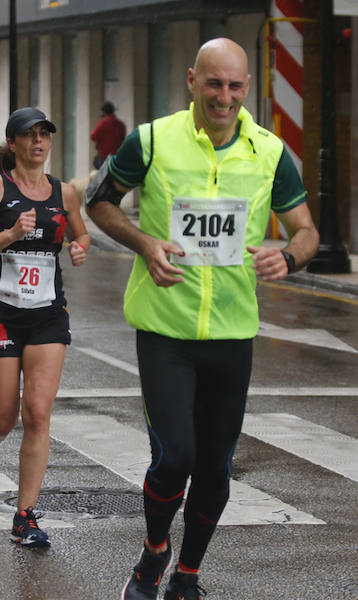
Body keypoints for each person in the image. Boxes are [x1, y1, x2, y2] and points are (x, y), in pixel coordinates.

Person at [85, 38, 319, 600]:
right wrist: (145, 244)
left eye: (236, 86)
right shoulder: (151, 139)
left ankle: (186, 575)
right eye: (214, 83)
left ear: (247, 88)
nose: (225, 96)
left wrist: (287, 256)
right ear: (192, 80)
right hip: (165, 327)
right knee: (175, 459)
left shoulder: (269, 152)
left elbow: (307, 231)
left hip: (233, 332)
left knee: (215, 466)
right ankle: (153, 553)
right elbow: (99, 202)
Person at [0, 107, 90, 548]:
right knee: (2, 420)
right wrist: (10, 235)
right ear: (12, 144)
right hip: (1, 312)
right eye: (29, 136)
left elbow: (80, 233)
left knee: (37, 414)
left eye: (44, 135)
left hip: (48, 314)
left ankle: (26, 516)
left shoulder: (64, 192)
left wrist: (79, 248)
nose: (38, 142)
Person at [90, 101, 126, 170]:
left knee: (102, 177)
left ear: (103, 112)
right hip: (117, 157)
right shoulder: (120, 124)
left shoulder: (103, 123)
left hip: (104, 156)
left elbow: (93, 136)